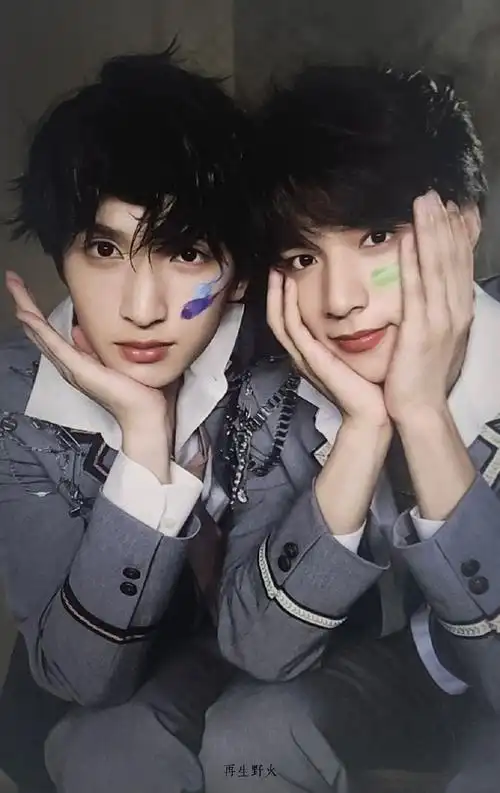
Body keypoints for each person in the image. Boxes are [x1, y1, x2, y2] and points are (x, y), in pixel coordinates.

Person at [200, 66, 500, 792]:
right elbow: (257, 651)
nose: (339, 300)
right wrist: (364, 430)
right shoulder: (273, 399)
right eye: (303, 258)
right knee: (247, 735)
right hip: (409, 665)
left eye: (375, 238)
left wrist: (423, 416)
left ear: (463, 223)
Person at [0, 46, 258, 793]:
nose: (143, 309)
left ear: (240, 271)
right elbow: (80, 678)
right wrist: (147, 444)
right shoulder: (17, 400)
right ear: (62, 255)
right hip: (83, 719)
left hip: (267, 677)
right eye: (104, 248)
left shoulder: (286, 364)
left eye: (186, 251)